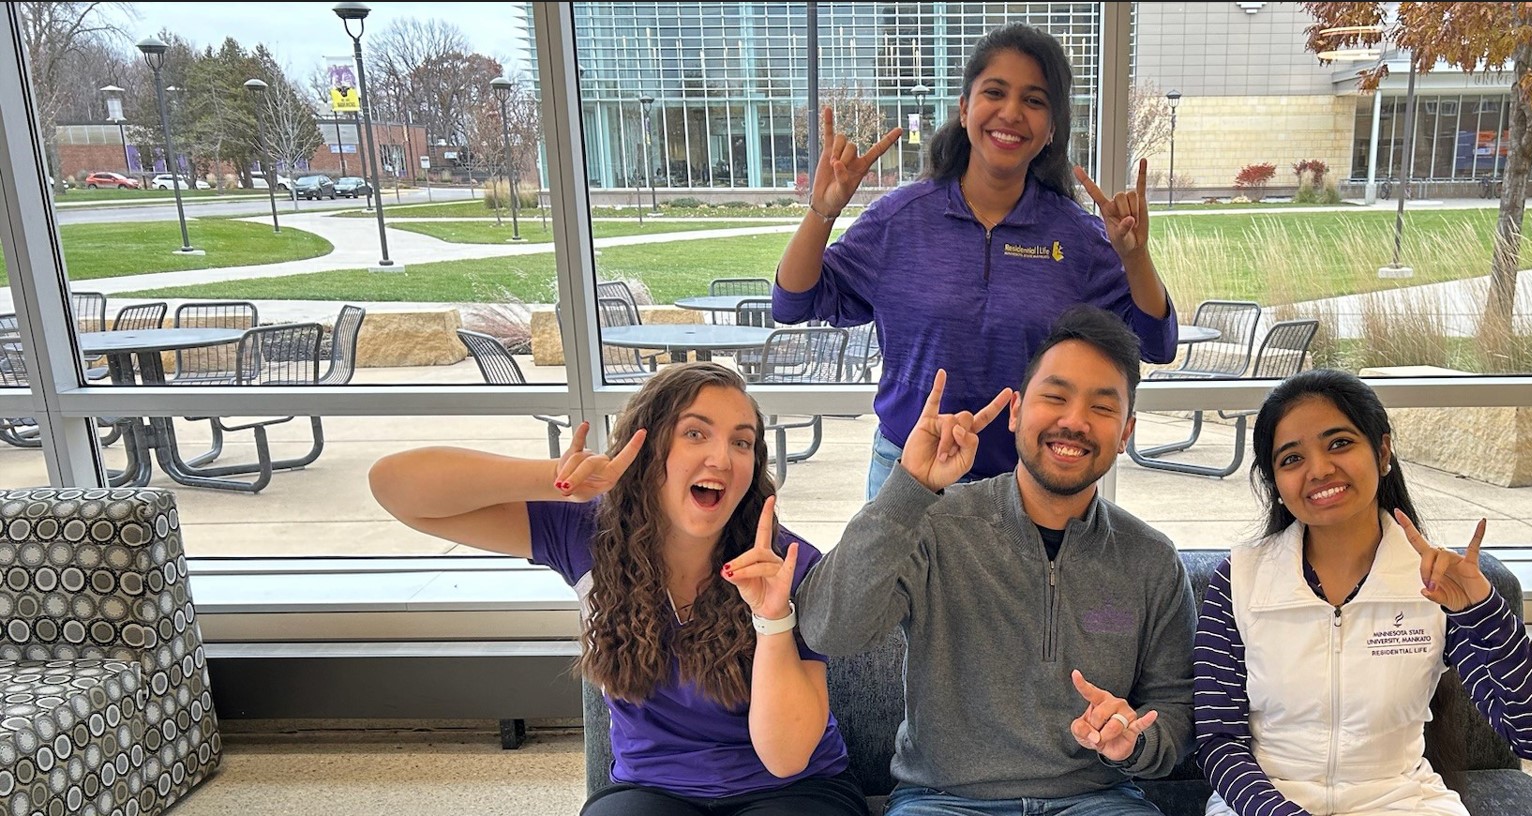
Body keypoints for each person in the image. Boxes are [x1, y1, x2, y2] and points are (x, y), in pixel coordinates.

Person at [367, 363, 864, 816]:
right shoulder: (587, 535)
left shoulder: (787, 565)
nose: (722, 457)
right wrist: (559, 480)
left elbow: (786, 757)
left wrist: (772, 621)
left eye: (741, 442)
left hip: (794, 790)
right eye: (695, 433)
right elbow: (396, 485)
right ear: (645, 451)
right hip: (651, 790)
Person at [797, 306, 1195, 815]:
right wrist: (907, 489)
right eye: (1055, 397)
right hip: (942, 800)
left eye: (1102, 407)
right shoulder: (936, 525)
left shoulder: (1151, 560)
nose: (1074, 421)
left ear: (1126, 433)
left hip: (1098, 800)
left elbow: (1177, 714)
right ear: (1016, 411)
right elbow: (829, 630)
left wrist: (1133, 739)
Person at [774, 22, 1178, 499]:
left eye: (1034, 100)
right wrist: (822, 211)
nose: (1011, 113)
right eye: (995, 92)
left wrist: (1135, 259)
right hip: (908, 473)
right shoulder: (900, 220)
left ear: (1051, 130)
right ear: (965, 109)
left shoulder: (1078, 239)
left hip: (1022, 488)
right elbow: (792, 302)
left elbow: (1158, 343)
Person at [1193, 369, 1532, 816]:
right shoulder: (1240, 578)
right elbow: (1218, 741)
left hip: (1400, 799)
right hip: (1265, 802)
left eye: (1339, 443)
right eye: (1291, 459)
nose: (1319, 470)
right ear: (1275, 484)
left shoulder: (1434, 584)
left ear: (1382, 451)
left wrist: (1486, 615)